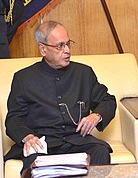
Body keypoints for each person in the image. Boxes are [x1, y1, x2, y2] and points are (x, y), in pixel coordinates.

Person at [4, 21, 117, 173]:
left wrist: (96, 116)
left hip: (76, 141)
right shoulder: (23, 78)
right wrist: (28, 137)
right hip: (42, 143)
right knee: (34, 161)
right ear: (43, 49)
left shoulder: (83, 73)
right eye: (60, 46)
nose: (67, 50)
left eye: (68, 44)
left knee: (99, 150)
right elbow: (14, 118)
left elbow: (107, 100)